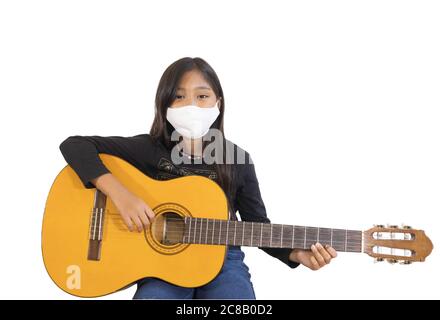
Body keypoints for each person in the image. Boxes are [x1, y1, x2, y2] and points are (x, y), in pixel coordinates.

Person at [59, 57, 337, 299]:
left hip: (223, 262)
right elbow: (75, 145)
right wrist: (121, 195)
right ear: (164, 103)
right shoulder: (149, 149)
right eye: (179, 96)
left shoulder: (237, 159)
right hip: (161, 263)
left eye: (202, 96)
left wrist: (295, 254)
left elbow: (257, 226)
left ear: (218, 102)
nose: (190, 104)